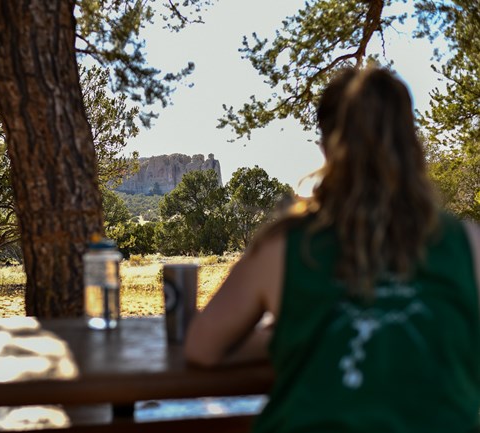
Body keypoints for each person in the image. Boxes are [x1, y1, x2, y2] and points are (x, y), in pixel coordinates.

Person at [184, 67, 480, 432]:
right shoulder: (469, 244)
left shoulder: (284, 246)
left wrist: (288, 334)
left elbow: (202, 347)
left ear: (326, 148)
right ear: (411, 143)